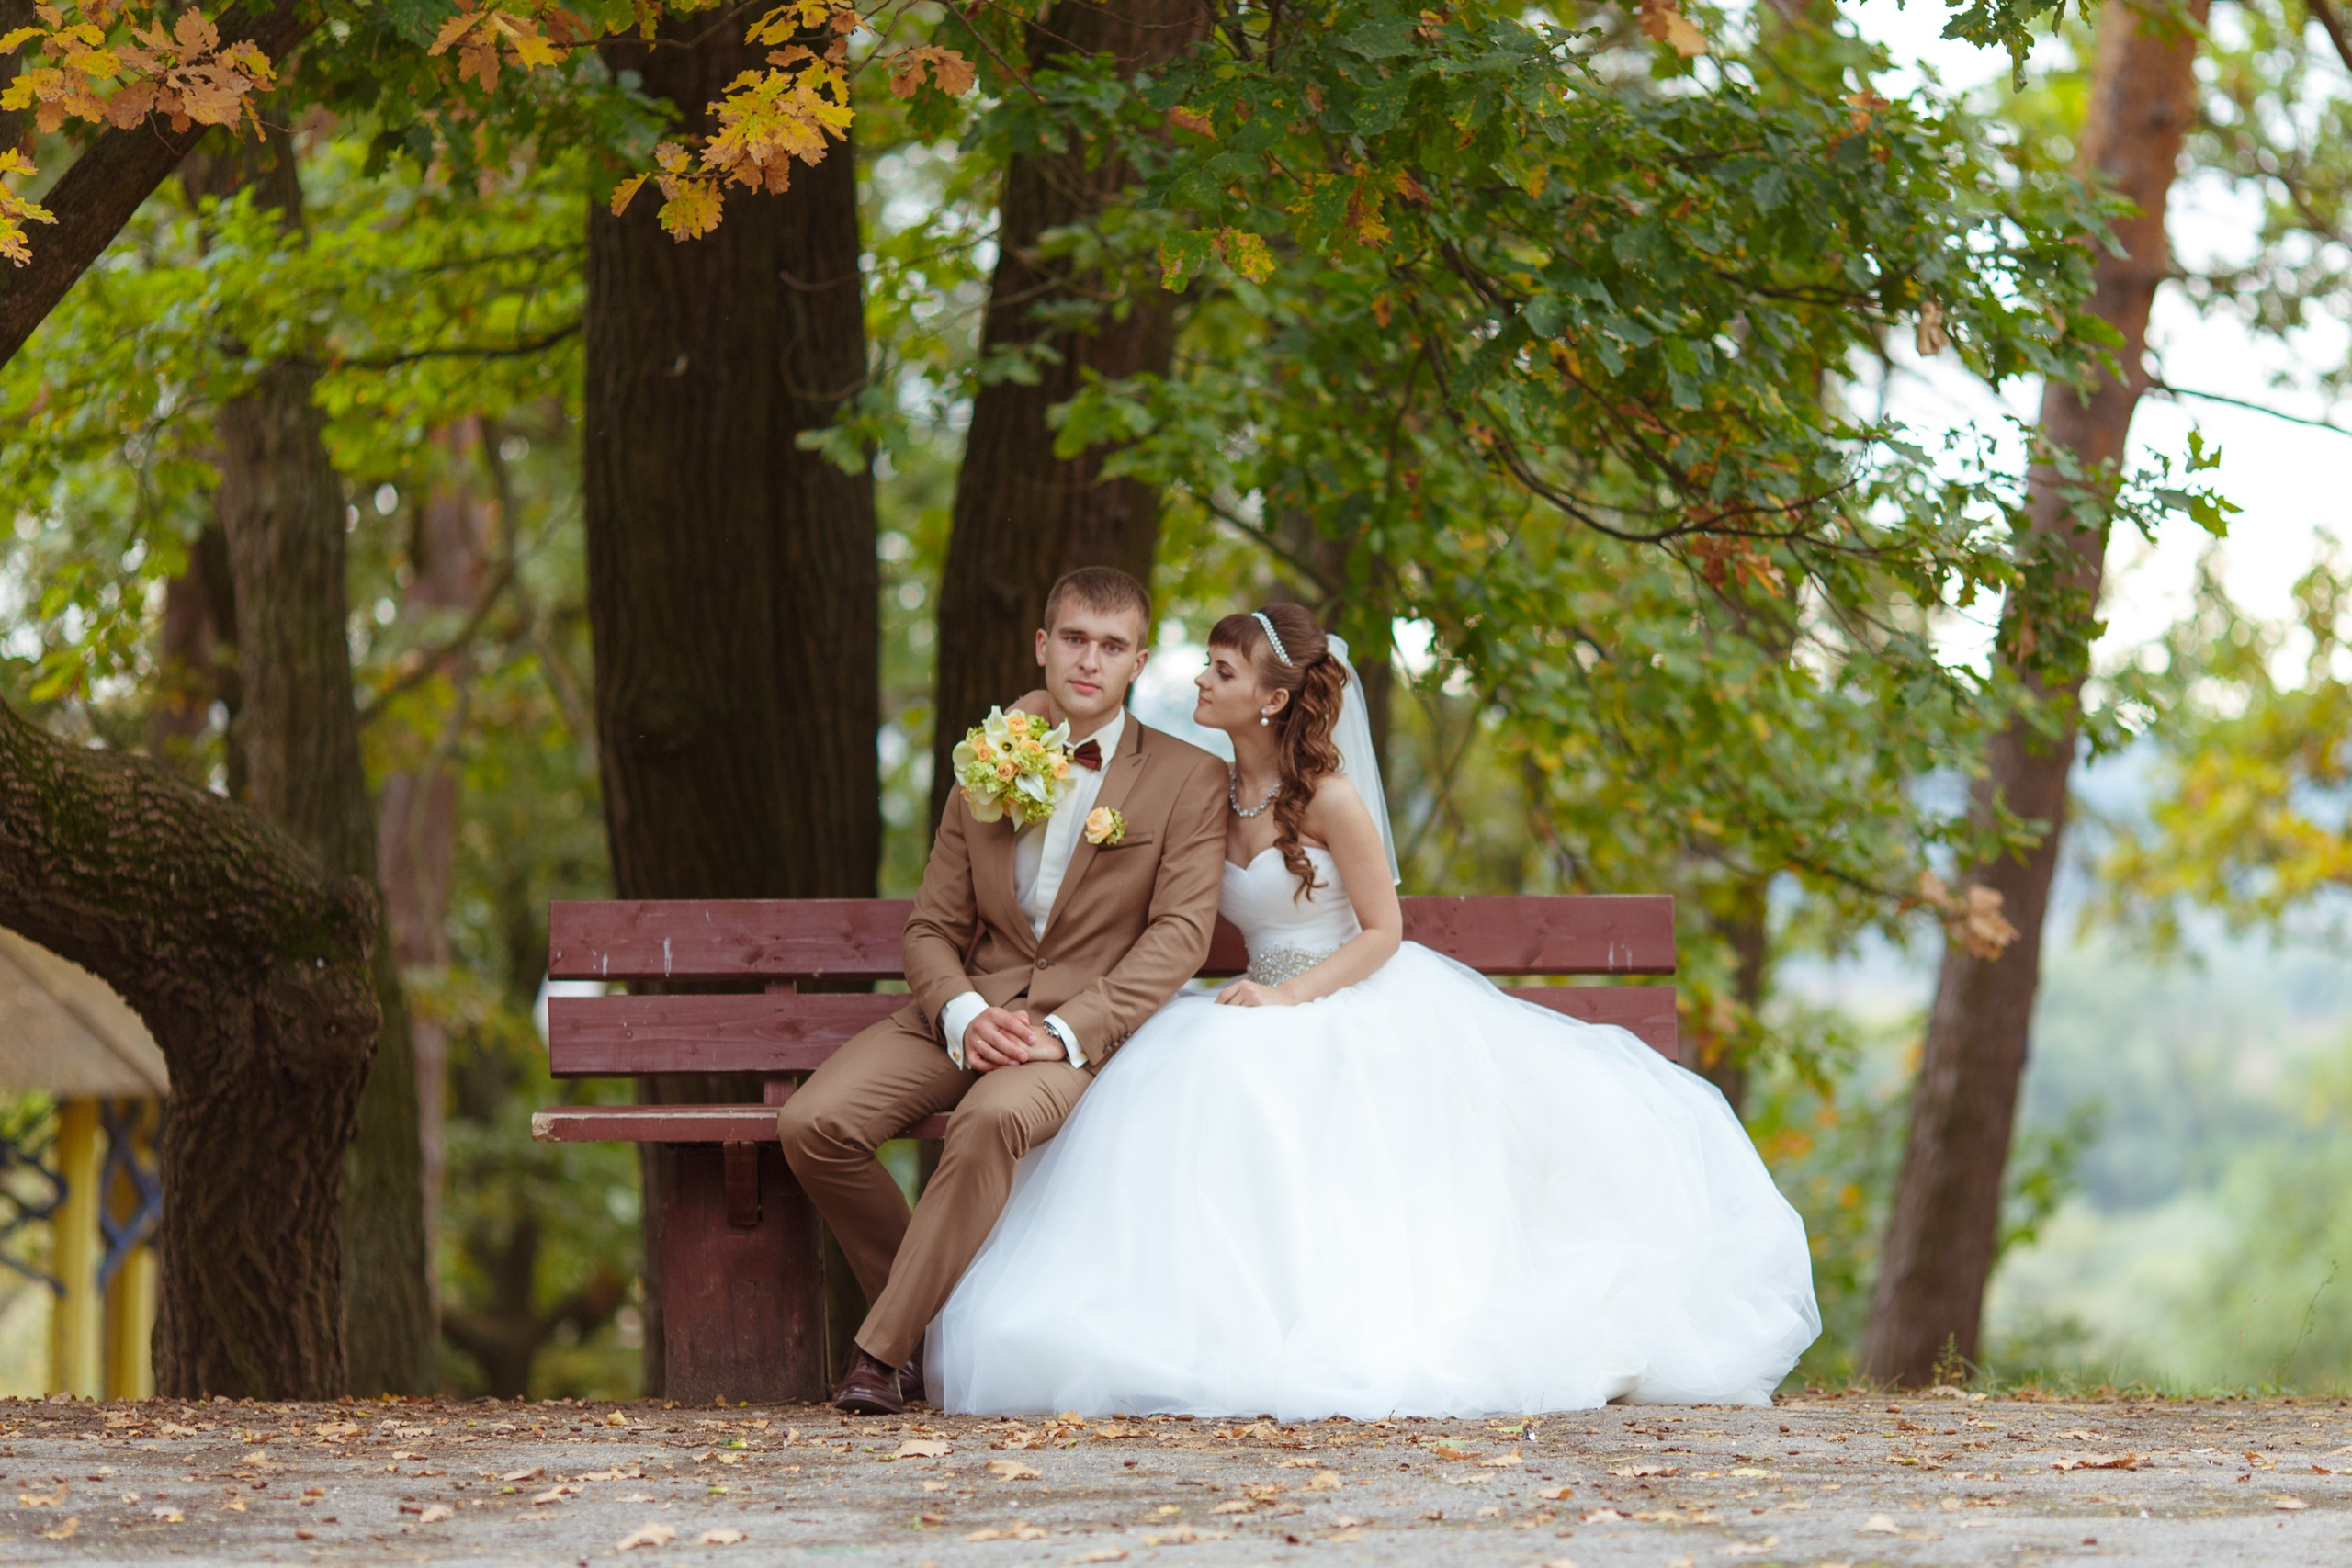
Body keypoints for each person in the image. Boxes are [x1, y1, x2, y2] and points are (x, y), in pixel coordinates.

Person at [928, 602, 1822, 1416]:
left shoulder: (1330, 798)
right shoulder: (1209, 789)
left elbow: (1383, 931)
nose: (1200, 680)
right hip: (1250, 998)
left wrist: (1285, 998)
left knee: (1243, 1074)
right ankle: (1183, 1324)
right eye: (1205, 665)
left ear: (1273, 699)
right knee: (1175, 1080)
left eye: (1222, 671)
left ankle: (1312, 1329)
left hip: (1346, 991)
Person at [777, 567, 1229, 1416]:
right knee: (813, 1124)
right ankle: (943, 1323)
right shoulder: (986, 758)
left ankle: (881, 1353)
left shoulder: (1188, 778)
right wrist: (961, 1011)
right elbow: (929, 928)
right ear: (1041, 644)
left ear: (1138, 660)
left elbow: (1179, 937)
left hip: (1077, 1029)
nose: (1088, 660)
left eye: (1111, 645)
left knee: (990, 1119)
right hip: (967, 1008)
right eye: (1073, 639)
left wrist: (1064, 1032)